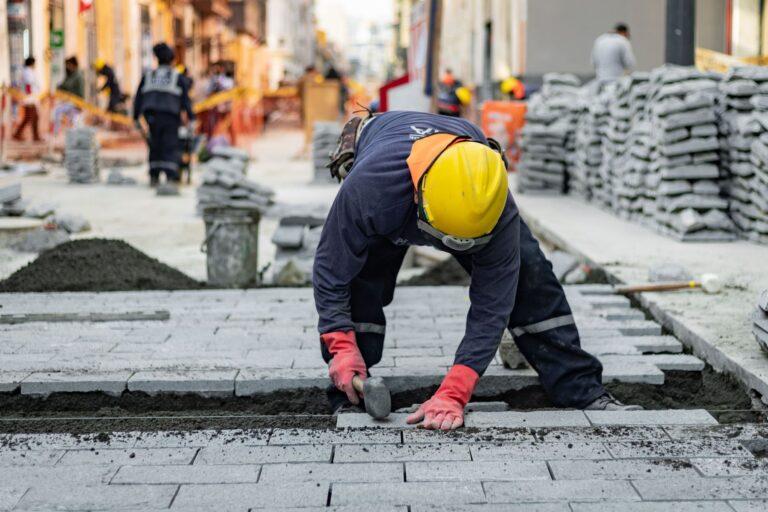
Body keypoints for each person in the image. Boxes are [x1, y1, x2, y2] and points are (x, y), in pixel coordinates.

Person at [314, 111, 641, 430]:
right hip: (388, 170)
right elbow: (331, 270)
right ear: (418, 196)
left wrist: (455, 392)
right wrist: (341, 346)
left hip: (458, 171)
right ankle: (349, 389)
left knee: (531, 278)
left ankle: (579, 388)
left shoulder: (495, 207)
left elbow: (492, 304)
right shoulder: (369, 190)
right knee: (360, 276)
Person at [133, 43, 194, 186]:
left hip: (151, 117)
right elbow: (185, 100)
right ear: (171, 60)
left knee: (154, 145)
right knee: (169, 146)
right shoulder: (176, 76)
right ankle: (171, 177)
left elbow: (139, 97)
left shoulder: (149, 75)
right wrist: (191, 118)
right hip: (170, 117)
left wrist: (136, 116)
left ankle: (154, 176)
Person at [53, 56, 85, 135]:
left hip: (75, 103)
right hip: (69, 102)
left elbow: (79, 91)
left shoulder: (78, 76)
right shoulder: (70, 75)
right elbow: (64, 86)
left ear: (73, 64)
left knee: (59, 112)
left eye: (68, 65)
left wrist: (80, 104)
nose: (67, 67)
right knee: (71, 121)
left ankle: (56, 133)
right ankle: (61, 134)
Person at [12, 57, 41, 142]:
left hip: (30, 98)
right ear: (32, 63)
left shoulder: (27, 72)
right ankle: (33, 136)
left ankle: (19, 134)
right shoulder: (27, 72)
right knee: (32, 117)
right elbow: (28, 84)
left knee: (31, 118)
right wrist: (29, 96)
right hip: (29, 99)